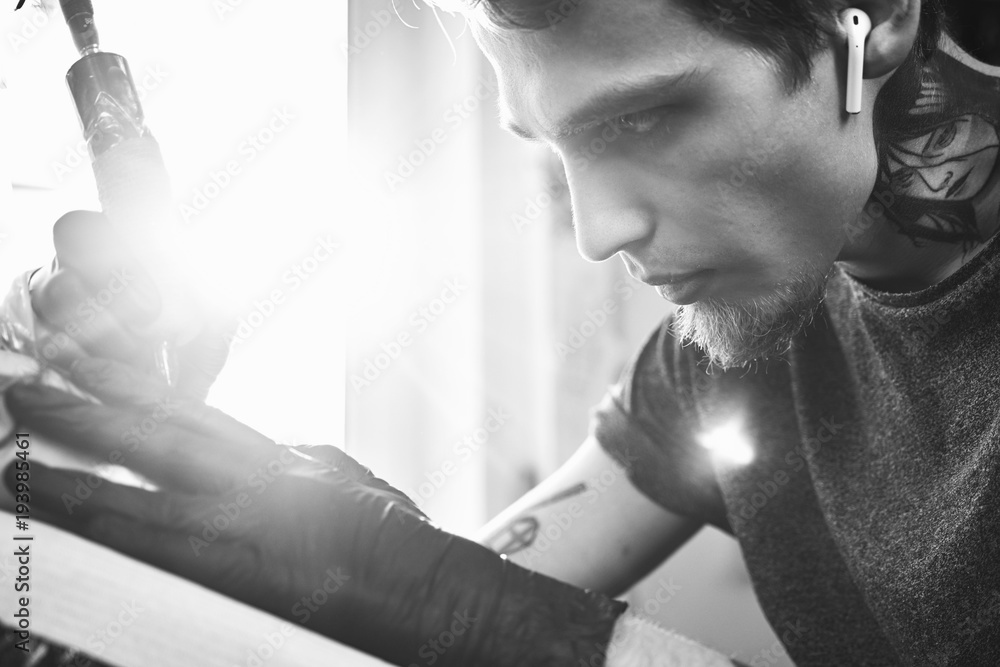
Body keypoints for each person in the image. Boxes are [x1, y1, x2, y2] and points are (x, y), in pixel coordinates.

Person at [4, 0, 999, 665]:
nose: (599, 230)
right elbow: (467, 604)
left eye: (642, 120)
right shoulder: (736, 355)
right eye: (552, 146)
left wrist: (544, 638)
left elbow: (518, 626)